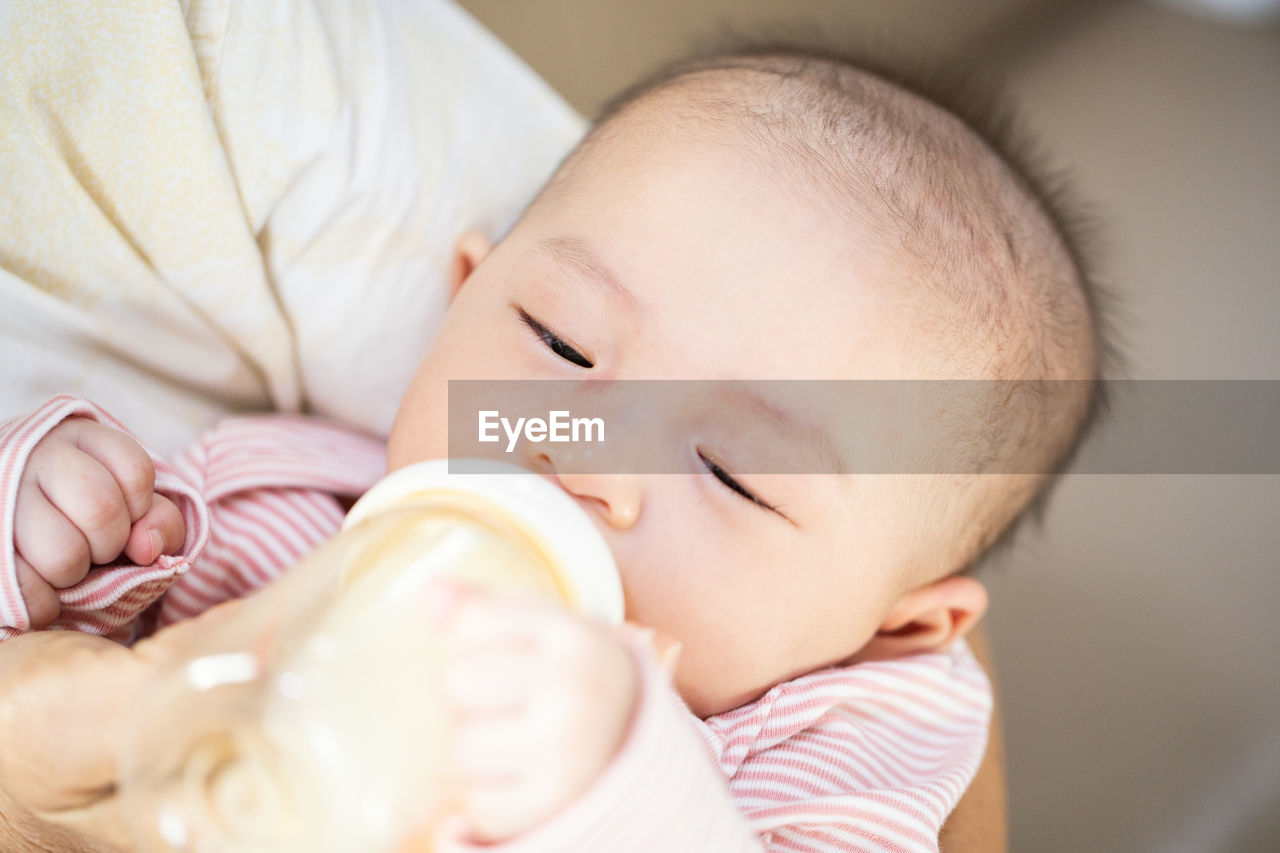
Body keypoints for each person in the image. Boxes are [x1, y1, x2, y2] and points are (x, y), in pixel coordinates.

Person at [0, 47, 1103, 851]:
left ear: (896, 625)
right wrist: (56, 522)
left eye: (732, 474)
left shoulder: (838, 735)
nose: (587, 459)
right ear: (459, 302)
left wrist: (621, 788)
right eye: (561, 345)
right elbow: (75, 680)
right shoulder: (273, 504)